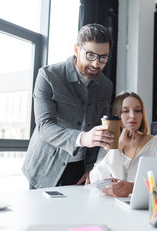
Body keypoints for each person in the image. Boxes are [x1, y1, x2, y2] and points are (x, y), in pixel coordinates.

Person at [22, 23, 115, 189]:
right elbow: (44, 127)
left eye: (103, 58)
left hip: (80, 170)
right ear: (76, 49)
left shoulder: (106, 86)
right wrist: (83, 138)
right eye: (90, 55)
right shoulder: (48, 76)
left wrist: (92, 168)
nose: (96, 64)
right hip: (45, 168)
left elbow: (101, 129)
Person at [89, 92, 157, 197]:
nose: (132, 116)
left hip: (144, 207)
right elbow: (94, 179)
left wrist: (132, 188)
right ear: (117, 116)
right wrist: (119, 145)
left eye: (137, 111)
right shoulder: (109, 144)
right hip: (110, 207)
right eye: (125, 111)